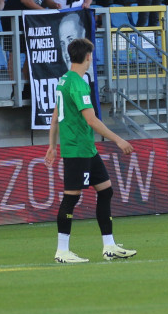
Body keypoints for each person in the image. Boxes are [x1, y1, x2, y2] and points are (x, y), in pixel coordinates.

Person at [44, 37, 137, 264]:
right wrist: (118, 140)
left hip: (86, 148)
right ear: (88, 56)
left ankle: (109, 246)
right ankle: (62, 251)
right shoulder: (77, 83)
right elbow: (91, 119)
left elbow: (55, 116)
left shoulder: (64, 80)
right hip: (77, 150)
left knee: (105, 191)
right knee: (71, 198)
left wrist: (52, 147)